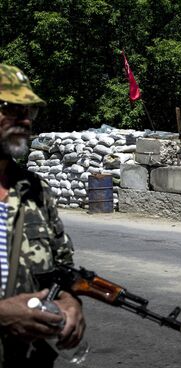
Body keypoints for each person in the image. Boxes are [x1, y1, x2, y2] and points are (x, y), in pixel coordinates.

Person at [0, 64, 85, 366]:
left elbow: (62, 271)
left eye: (30, 111)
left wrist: (70, 302)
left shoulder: (36, 190)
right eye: (11, 108)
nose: (24, 120)